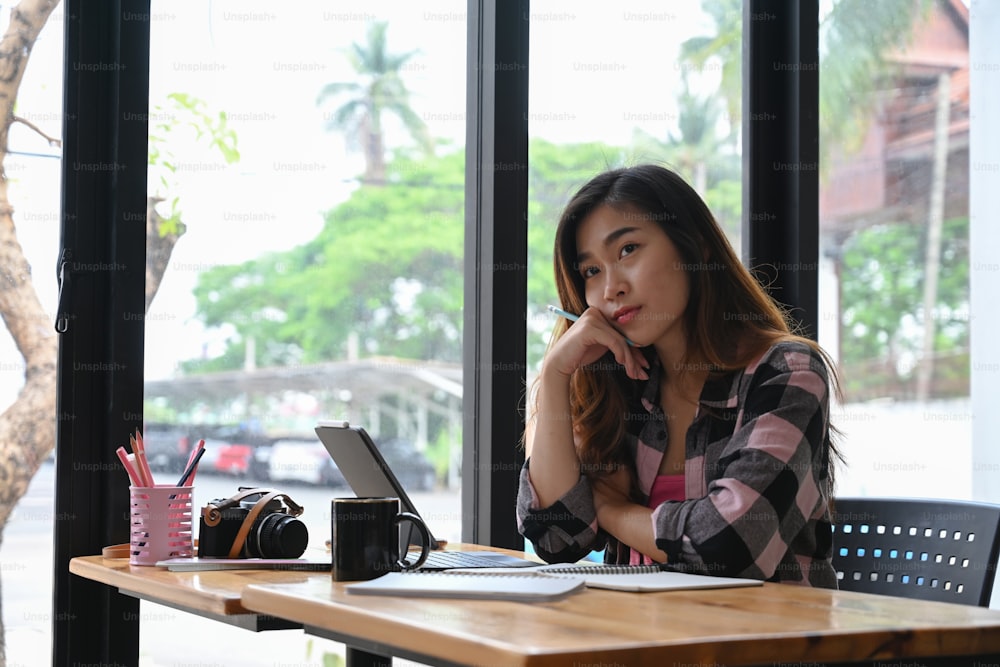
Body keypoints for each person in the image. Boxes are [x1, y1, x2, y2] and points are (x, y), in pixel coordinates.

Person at [517, 164, 840, 588]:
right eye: (591, 270)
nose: (610, 287)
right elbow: (556, 537)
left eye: (628, 250)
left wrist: (610, 510)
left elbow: (730, 546)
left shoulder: (786, 374)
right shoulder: (619, 387)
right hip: (637, 642)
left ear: (697, 248)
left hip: (765, 643)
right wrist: (557, 374)